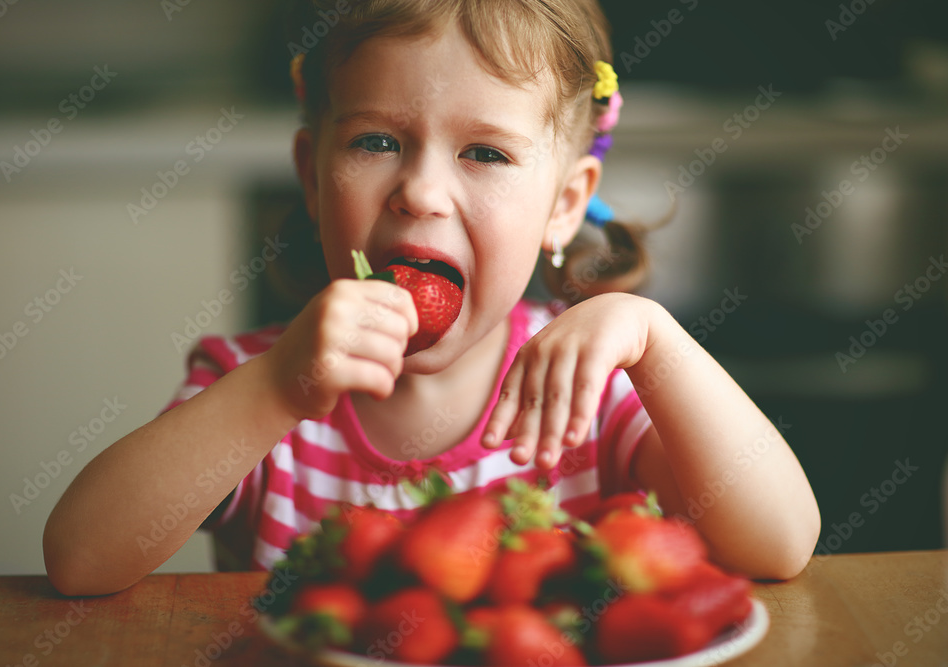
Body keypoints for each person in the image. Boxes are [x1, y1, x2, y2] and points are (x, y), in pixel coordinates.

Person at [44, 0, 820, 596]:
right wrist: (278, 387)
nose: (420, 192)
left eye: (485, 152)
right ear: (312, 175)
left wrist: (658, 341)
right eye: (376, 141)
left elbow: (781, 542)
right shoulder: (258, 382)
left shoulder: (588, 390)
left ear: (564, 202)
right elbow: (81, 559)